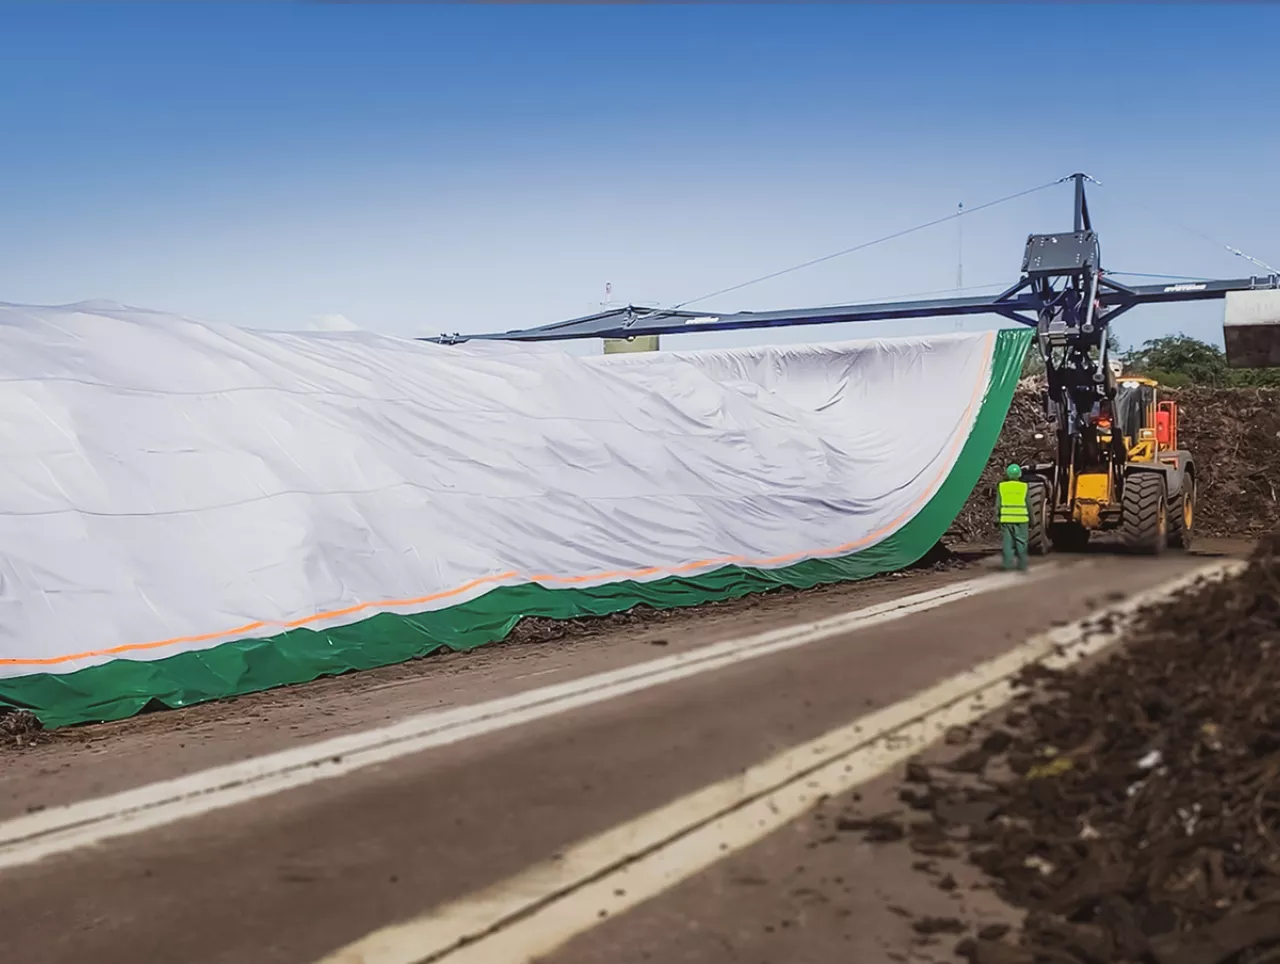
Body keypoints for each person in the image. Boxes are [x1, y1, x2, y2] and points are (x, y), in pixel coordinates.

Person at [997, 464, 1030, 572]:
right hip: (1021, 520)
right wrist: (1033, 519)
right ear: (1019, 474)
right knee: (1021, 543)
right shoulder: (1024, 487)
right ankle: (1022, 566)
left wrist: (996, 518)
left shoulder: (1002, 486)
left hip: (1006, 520)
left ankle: (1007, 566)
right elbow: (1029, 504)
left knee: (1008, 543)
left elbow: (998, 504)